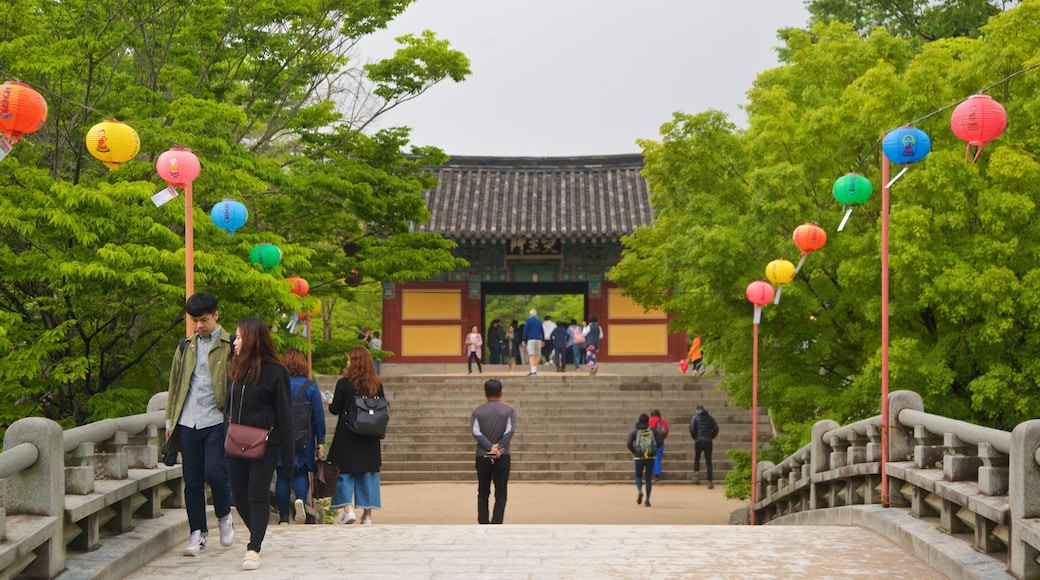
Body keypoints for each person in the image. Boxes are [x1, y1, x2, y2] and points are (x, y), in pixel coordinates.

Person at [164, 292, 236, 557]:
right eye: (194, 321)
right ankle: (198, 533)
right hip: (187, 421)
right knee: (192, 480)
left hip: (217, 420)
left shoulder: (231, 345)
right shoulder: (186, 346)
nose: (199, 326)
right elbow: (174, 385)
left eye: (204, 320)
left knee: (216, 473)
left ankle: (224, 516)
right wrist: (170, 420)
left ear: (216, 315)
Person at [225, 317, 294, 571]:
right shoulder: (235, 368)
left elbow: (285, 415)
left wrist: (289, 459)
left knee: (257, 494)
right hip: (234, 442)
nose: (235, 342)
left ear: (253, 339)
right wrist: (225, 433)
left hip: (265, 443)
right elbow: (228, 407)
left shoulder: (275, 371)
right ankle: (259, 531)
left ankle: (254, 547)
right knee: (239, 495)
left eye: (240, 337)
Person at [328, 346, 385, 525]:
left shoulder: (344, 383)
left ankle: (348, 510)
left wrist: (330, 401)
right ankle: (367, 516)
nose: (347, 362)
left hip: (348, 434)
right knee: (368, 474)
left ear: (353, 362)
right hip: (370, 435)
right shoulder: (376, 383)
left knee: (344, 473)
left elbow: (335, 408)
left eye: (349, 359)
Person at [275, 349, 326, 525]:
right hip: (305, 437)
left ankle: (283, 517)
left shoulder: (278, 385)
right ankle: (301, 500)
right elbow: (318, 416)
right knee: (301, 472)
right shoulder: (310, 386)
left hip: (281, 437)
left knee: (282, 475)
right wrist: (321, 440)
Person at [471, 379, 517, 524]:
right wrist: (497, 448)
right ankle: (496, 522)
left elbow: (476, 432)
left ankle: (483, 521)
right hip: (502, 454)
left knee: (483, 491)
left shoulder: (477, 411)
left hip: (483, 455)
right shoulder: (509, 410)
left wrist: (490, 448)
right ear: (501, 393)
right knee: (501, 491)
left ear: (485, 393)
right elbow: (510, 431)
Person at [626, 413, 659, 507]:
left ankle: (640, 491)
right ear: (648, 421)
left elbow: (628, 443)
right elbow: (659, 442)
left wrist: (635, 451)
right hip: (650, 457)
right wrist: (653, 451)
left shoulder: (635, 431)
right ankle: (648, 500)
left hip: (639, 457)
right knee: (648, 478)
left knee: (638, 476)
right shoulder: (652, 430)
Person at [689, 405, 720, 489]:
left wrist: (695, 436)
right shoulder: (710, 418)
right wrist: (711, 436)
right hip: (708, 441)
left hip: (698, 440)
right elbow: (716, 428)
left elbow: (692, 428)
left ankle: (696, 475)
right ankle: (709, 481)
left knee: (697, 458)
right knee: (708, 461)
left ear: (697, 410)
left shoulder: (695, 418)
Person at [648, 409, 670, 481]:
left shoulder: (649, 421)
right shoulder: (662, 421)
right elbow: (666, 430)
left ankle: (649, 473)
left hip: (650, 442)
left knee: (650, 457)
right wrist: (662, 439)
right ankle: (657, 474)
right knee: (658, 458)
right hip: (660, 442)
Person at [521, 309, 544, 376]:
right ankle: (535, 370)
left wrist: (524, 339)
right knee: (536, 355)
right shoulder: (539, 321)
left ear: (530, 314)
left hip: (531, 339)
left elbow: (526, 330)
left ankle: (532, 371)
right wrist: (542, 340)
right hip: (538, 339)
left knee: (531, 355)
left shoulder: (528, 320)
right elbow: (542, 331)